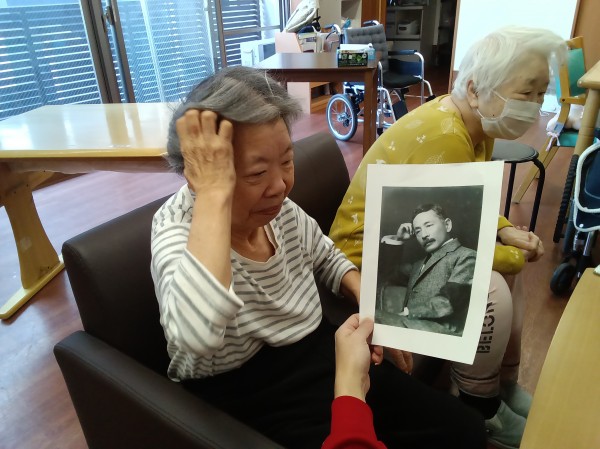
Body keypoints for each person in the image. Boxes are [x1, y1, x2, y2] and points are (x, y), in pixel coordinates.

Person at [150, 66, 486, 449]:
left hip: (319, 350)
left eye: (286, 161)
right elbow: (197, 336)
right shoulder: (176, 229)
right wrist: (214, 196)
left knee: (464, 429)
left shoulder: (279, 210)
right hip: (247, 392)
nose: (280, 186)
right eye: (257, 173)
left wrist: (371, 304)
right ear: (200, 175)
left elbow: (325, 255)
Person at [329, 26, 566, 449]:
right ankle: (479, 400)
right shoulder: (446, 136)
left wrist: (504, 229)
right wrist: (513, 254)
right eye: (525, 92)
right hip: (370, 255)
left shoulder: (476, 126)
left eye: (540, 94)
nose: (534, 106)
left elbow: (465, 208)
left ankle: (504, 382)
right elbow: (449, 236)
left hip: (414, 237)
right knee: (491, 286)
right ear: (475, 90)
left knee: (504, 271)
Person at [377, 203, 476, 336]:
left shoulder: (467, 255)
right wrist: (397, 239)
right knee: (370, 317)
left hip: (442, 332)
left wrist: (407, 313)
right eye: (418, 231)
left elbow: (449, 301)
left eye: (428, 225)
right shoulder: (418, 265)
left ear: (447, 225)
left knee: (373, 318)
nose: (423, 235)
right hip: (414, 328)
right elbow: (387, 275)